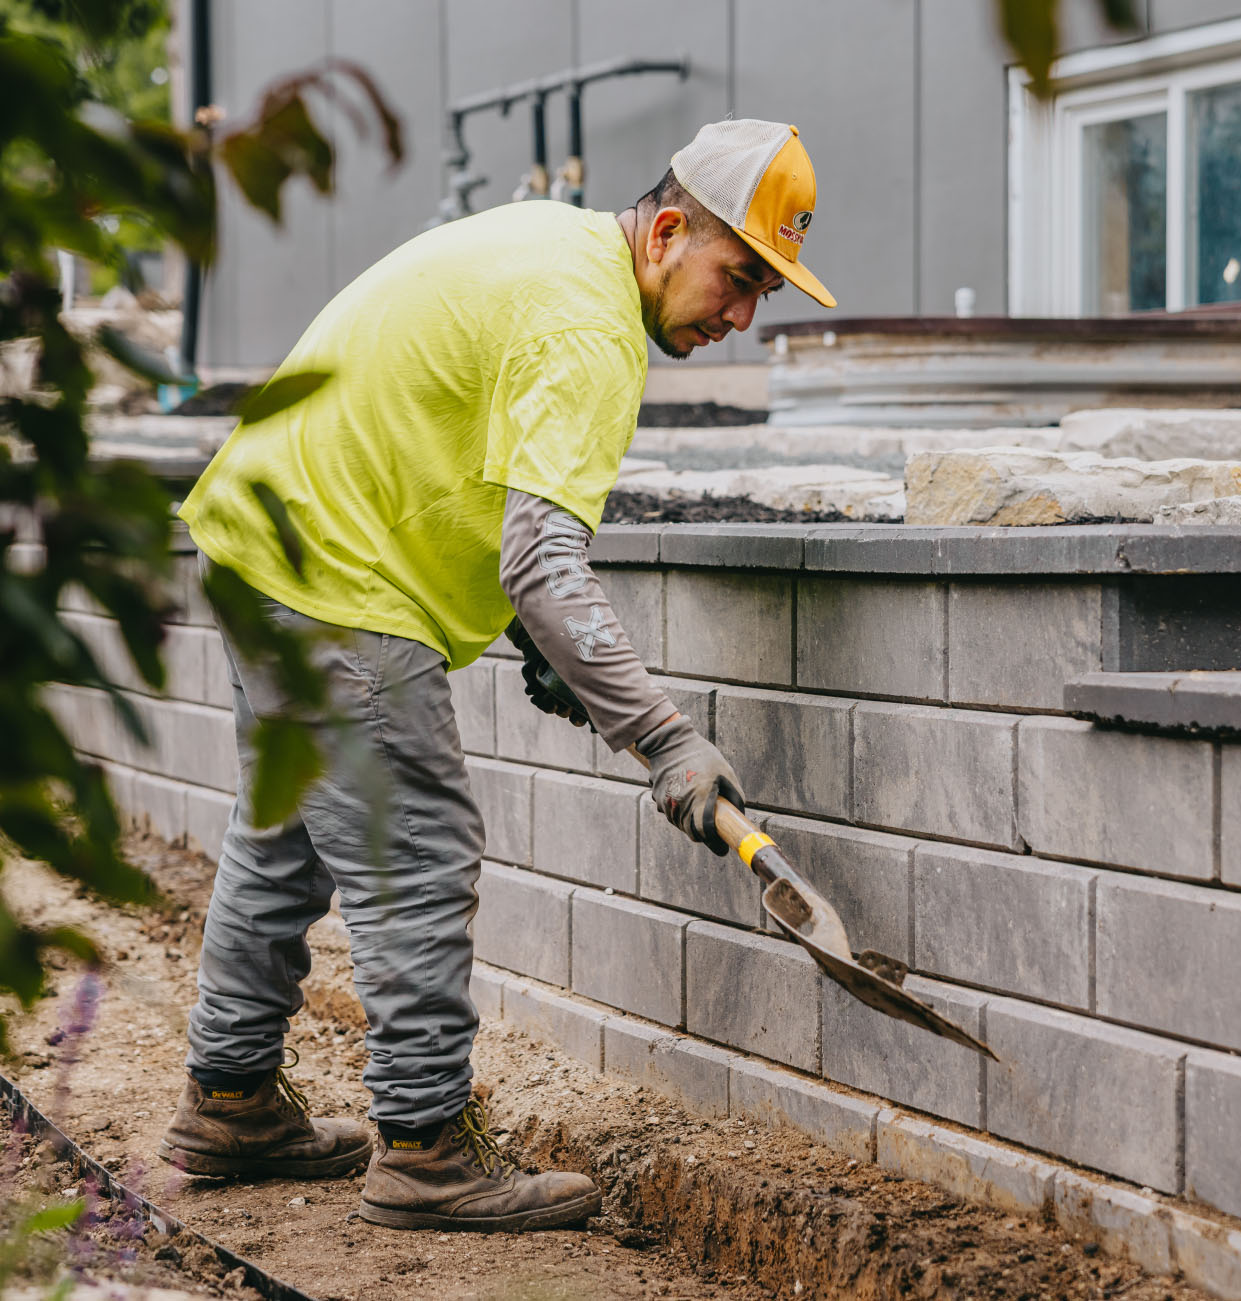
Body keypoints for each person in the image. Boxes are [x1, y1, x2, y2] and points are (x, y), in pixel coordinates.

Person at [159, 118, 836, 1232]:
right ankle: (426, 1147)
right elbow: (542, 557)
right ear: (668, 231)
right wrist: (666, 737)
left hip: (261, 537)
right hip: (335, 574)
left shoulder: (558, 251)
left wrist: (538, 643)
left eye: (765, 289)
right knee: (417, 844)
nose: (743, 316)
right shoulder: (590, 330)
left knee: (281, 835)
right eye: (738, 275)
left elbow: (466, 446)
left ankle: (229, 1101)